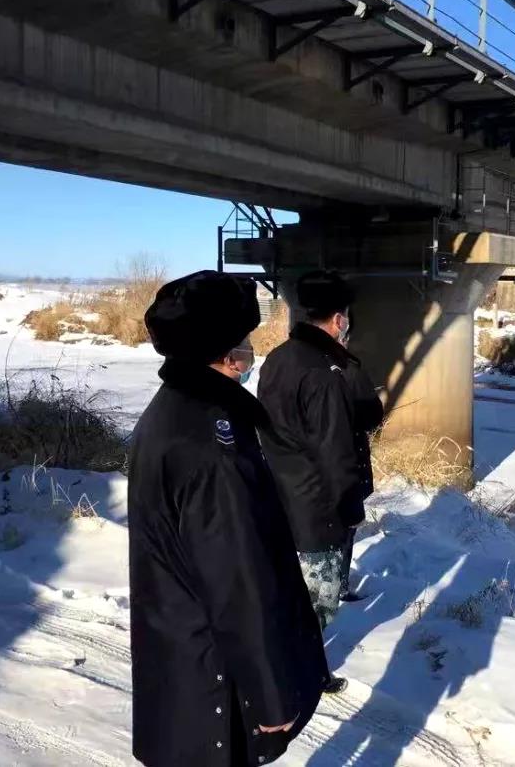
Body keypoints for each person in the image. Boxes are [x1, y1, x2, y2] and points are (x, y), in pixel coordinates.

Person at [127, 271, 326, 767]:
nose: (250, 352)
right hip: (214, 672)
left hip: (179, 652)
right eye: (245, 340)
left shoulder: (170, 411)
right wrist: (272, 694)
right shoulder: (212, 443)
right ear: (227, 354)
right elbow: (237, 577)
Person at [257, 270, 384, 683]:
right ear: (339, 319)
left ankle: (292, 667)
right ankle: (299, 676)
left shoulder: (278, 358)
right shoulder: (325, 372)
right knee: (319, 600)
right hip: (318, 503)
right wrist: (349, 504)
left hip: (283, 490)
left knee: (293, 588)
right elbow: (335, 449)